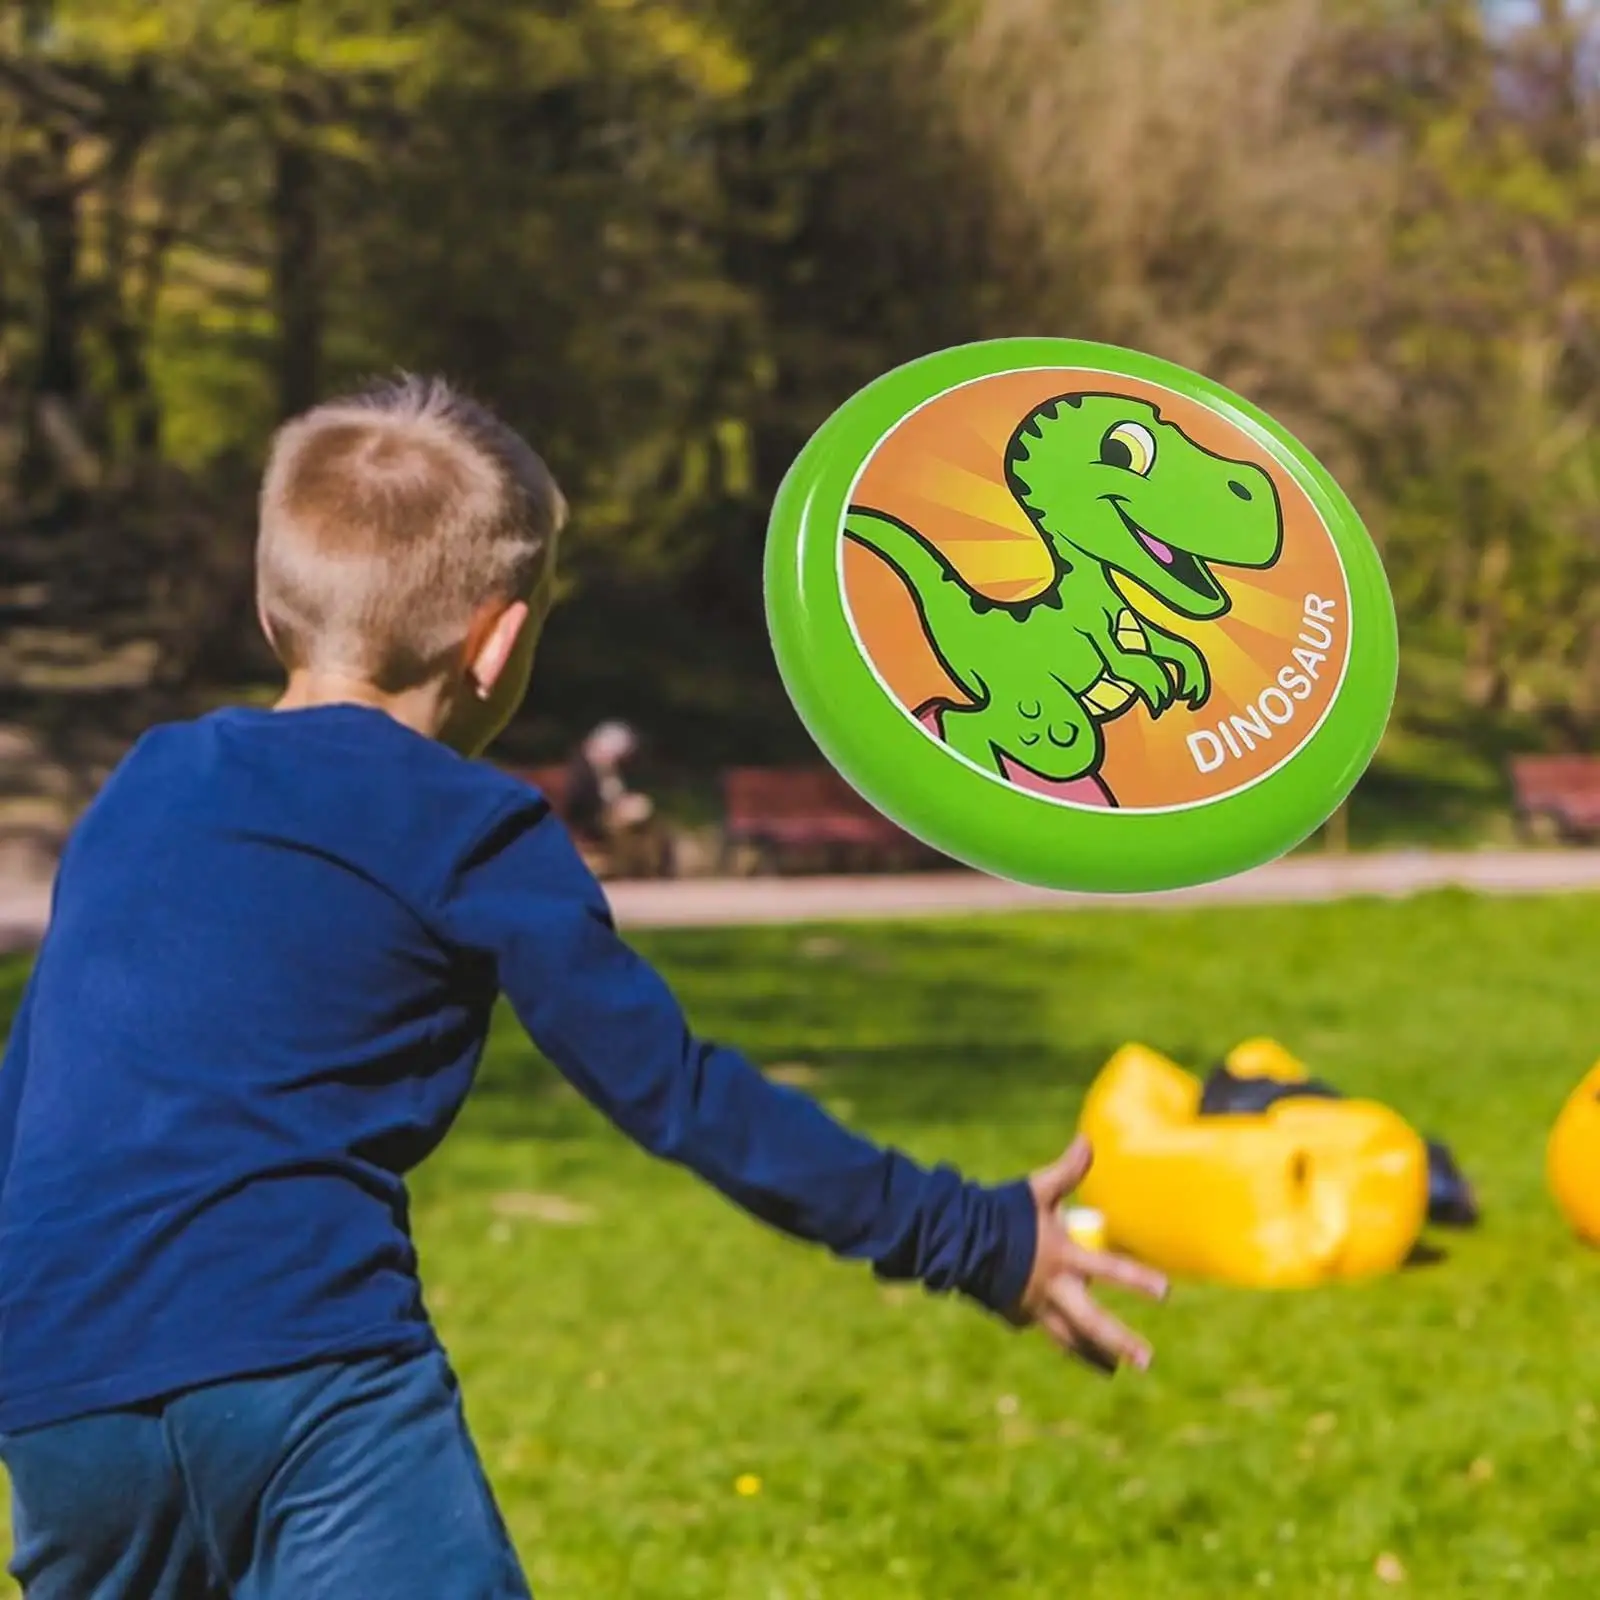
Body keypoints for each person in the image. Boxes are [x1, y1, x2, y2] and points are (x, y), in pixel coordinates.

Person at [0, 375, 1166, 1600]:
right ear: (501, 641)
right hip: (308, 1367)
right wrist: (967, 1234)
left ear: (267, 604)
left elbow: (28, 1092)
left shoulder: (148, 783)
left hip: (61, 1396)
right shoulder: (472, 824)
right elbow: (678, 1094)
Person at [561, 719, 661, 875]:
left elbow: (614, 793)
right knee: (627, 824)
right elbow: (581, 802)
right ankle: (626, 867)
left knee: (641, 814)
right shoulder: (582, 771)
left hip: (608, 814)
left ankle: (637, 866)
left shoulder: (610, 770)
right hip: (594, 819)